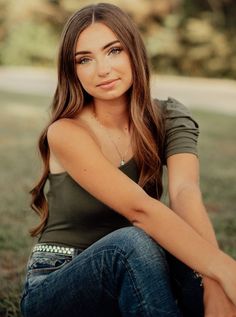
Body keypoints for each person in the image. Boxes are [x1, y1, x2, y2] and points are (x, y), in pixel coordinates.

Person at [20, 3, 236, 317]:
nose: (103, 70)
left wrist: (215, 280)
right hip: (58, 280)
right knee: (133, 241)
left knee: (183, 250)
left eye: (114, 51)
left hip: (143, 271)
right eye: (84, 59)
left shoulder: (169, 116)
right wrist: (226, 269)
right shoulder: (66, 132)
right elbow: (140, 210)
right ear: (73, 71)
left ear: (134, 51)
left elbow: (185, 192)